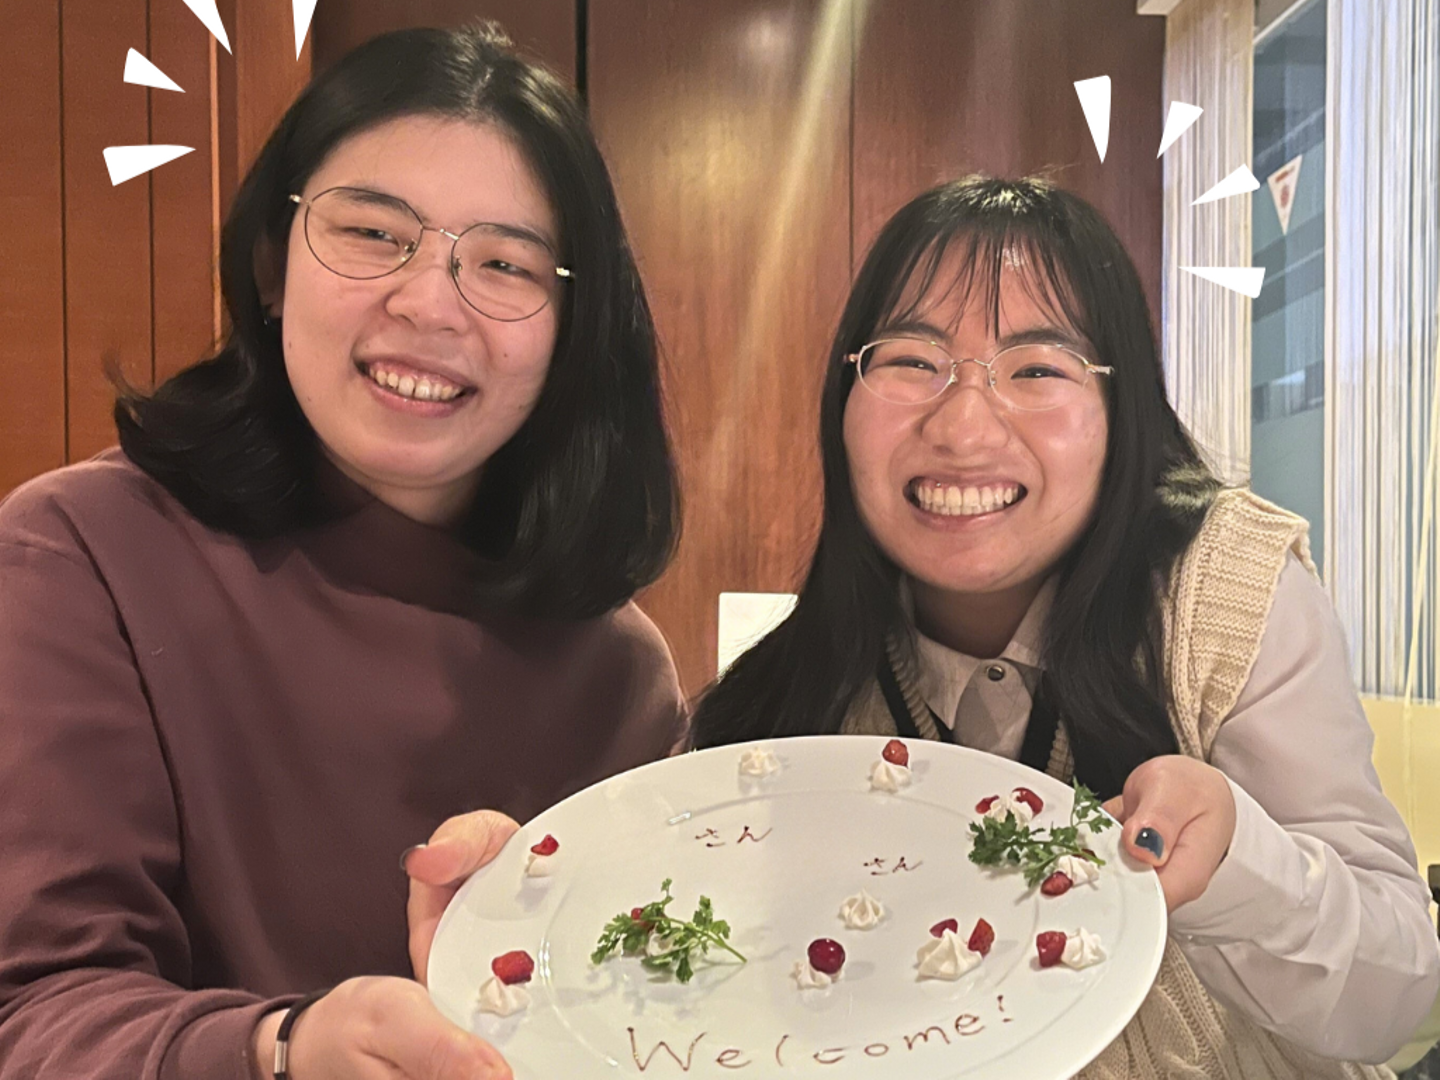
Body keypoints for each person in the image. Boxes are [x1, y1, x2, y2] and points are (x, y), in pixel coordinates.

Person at [0, 24, 685, 1080]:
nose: (429, 304)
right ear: (272, 265)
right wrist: (282, 1049)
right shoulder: (82, 555)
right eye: (372, 232)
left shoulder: (618, 674)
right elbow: (34, 1006)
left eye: (504, 264)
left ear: (571, 331)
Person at [690, 176, 1440, 1076]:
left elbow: (1395, 1000)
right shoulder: (784, 709)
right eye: (912, 361)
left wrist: (1235, 864)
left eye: (1037, 369)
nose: (963, 428)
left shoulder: (1222, 595)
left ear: (1123, 415)